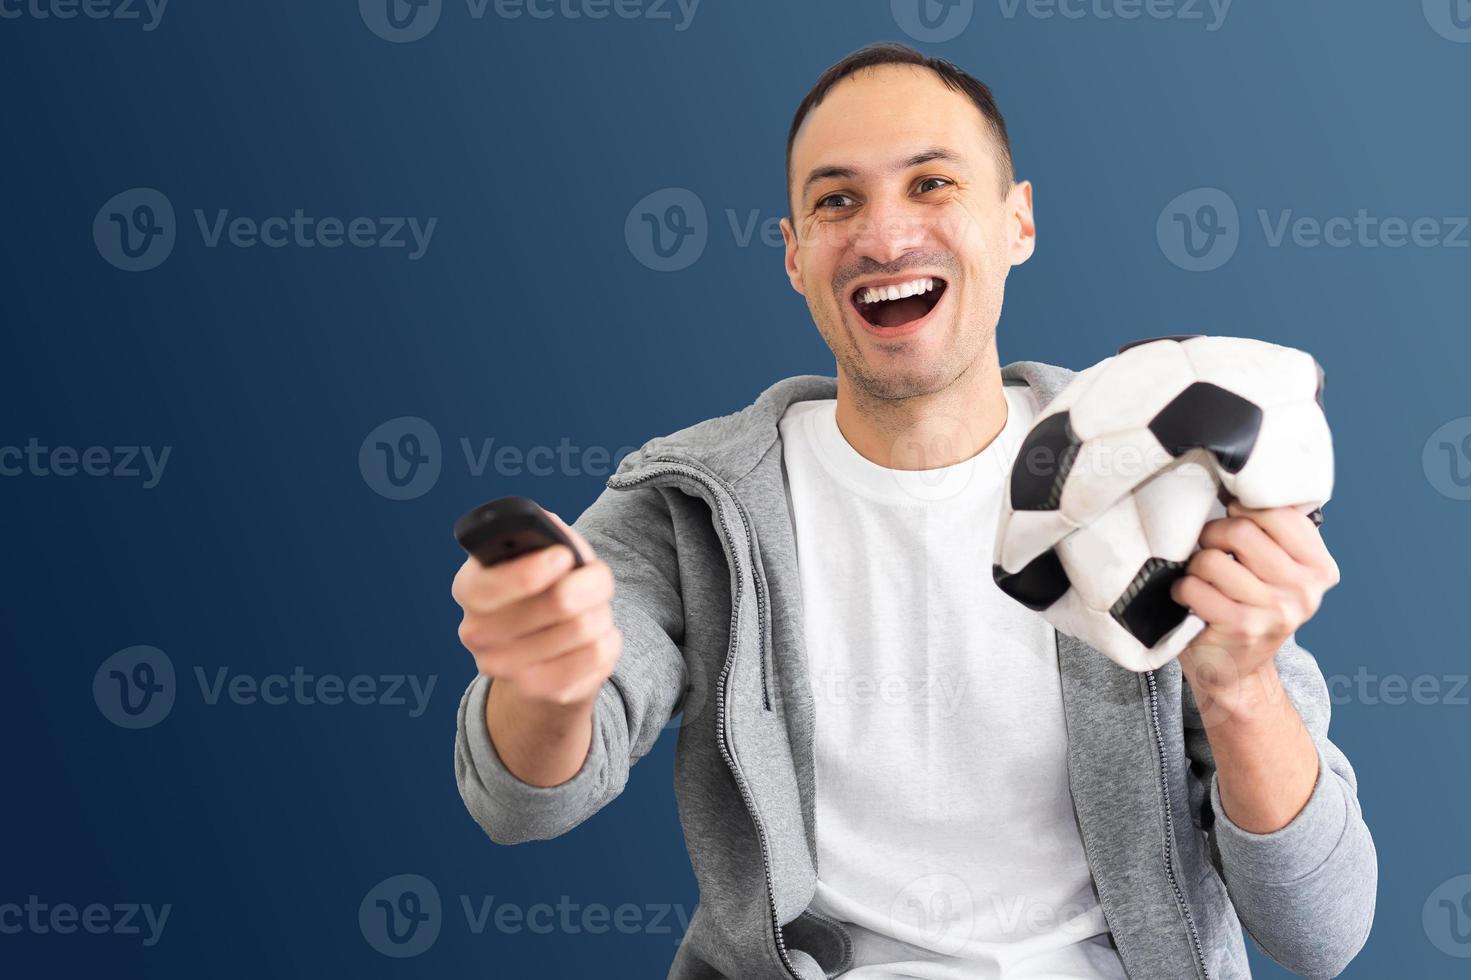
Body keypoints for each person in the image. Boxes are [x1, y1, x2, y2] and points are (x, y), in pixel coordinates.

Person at [451, 41, 1376, 979]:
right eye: (836, 200)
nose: (885, 238)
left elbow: (1322, 929)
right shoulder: (692, 504)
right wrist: (545, 680)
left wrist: (1238, 685)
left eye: (932, 183)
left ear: (1017, 221)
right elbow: (521, 804)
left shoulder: (1165, 473)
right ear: (794, 254)